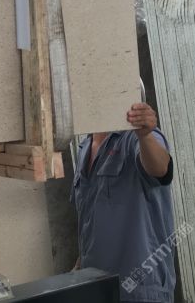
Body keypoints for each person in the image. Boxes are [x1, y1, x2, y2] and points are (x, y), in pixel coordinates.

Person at [71, 102, 175, 303]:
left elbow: (160, 169)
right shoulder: (84, 148)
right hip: (97, 289)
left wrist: (145, 136)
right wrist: (79, 268)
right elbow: (90, 223)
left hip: (140, 292)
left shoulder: (134, 138)